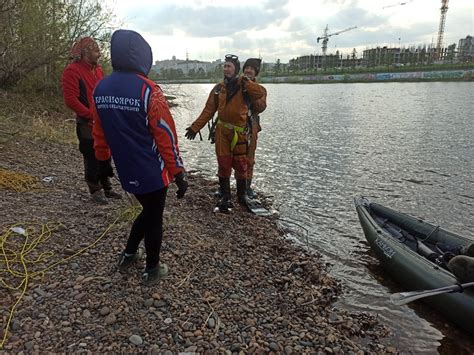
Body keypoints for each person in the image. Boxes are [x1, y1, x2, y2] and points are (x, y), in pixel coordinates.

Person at [91, 29, 188, 285]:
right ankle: (152, 269)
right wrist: (178, 172)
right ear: (142, 55)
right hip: (152, 170)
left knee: (147, 210)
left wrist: (103, 163)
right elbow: (166, 135)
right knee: (154, 217)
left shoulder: (100, 88)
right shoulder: (149, 90)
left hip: (125, 168)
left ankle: (129, 254)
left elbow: (98, 131)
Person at [185, 54, 266, 212]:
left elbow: (260, 94)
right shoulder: (218, 88)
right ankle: (225, 196)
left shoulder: (245, 86)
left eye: (229, 66)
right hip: (222, 131)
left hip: (240, 132)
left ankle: (242, 196)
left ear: (236, 69)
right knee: (223, 164)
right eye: (224, 66)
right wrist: (195, 127)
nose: (226, 69)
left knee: (242, 165)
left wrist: (246, 81)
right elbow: (208, 110)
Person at [61, 37, 121, 204]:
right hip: (86, 122)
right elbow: (71, 100)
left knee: (105, 153)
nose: (99, 53)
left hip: (103, 121)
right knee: (91, 155)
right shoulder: (71, 71)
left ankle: (106, 186)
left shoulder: (99, 70)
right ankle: (95, 189)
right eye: (96, 50)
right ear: (85, 53)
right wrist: (91, 115)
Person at [241, 58, 267, 198]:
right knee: (228, 157)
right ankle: (225, 187)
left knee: (249, 159)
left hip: (251, 129)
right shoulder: (236, 86)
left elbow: (260, 107)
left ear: (255, 72)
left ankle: (247, 187)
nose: (248, 70)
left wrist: (250, 88)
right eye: (247, 68)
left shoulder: (261, 90)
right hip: (235, 128)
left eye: (252, 68)